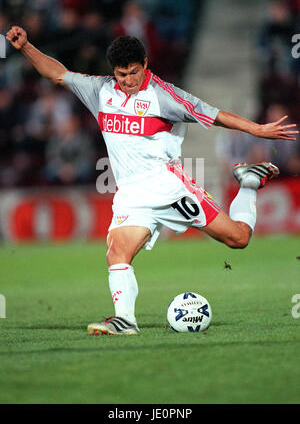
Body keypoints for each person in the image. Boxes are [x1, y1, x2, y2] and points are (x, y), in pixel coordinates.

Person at [6, 26, 299, 336]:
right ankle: (125, 321)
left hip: (167, 186)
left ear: (145, 64)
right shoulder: (100, 91)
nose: (129, 81)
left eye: (134, 72)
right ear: (113, 72)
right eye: (122, 75)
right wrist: (26, 47)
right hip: (131, 194)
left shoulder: (163, 95)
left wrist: (256, 130)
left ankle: (250, 182)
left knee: (238, 239)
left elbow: (213, 114)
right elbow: (58, 74)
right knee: (117, 253)